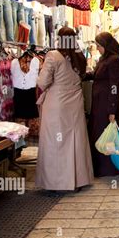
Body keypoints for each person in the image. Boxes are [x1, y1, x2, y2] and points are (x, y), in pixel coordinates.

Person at [36, 27, 94, 191]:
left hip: (56, 104)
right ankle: (78, 179)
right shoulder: (80, 57)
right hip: (75, 103)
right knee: (75, 140)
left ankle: (56, 183)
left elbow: (42, 82)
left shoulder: (53, 56)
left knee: (55, 141)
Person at [86, 32, 119, 177]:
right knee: (100, 136)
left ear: (106, 45)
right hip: (99, 105)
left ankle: (107, 168)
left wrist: (112, 110)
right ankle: (100, 167)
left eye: (99, 46)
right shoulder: (105, 59)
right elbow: (98, 76)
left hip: (107, 106)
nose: (97, 48)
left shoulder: (114, 60)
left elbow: (115, 86)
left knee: (106, 137)